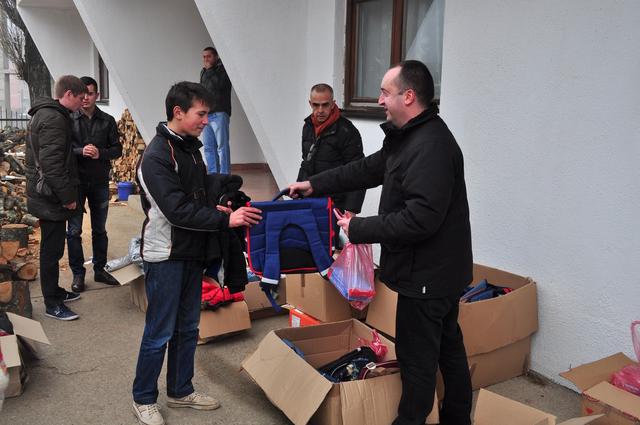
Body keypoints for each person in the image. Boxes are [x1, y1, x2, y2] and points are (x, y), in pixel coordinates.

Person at [288, 60, 473, 425]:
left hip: (428, 276)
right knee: (448, 347)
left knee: (418, 360)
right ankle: (457, 418)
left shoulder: (431, 146)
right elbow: (367, 169)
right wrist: (314, 184)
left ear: (409, 96)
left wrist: (358, 228)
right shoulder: (408, 137)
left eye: (386, 93)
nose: (380, 100)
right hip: (437, 272)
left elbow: (420, 219)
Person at [132, 81, 261, 425]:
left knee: (188, 327)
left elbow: (195, 196)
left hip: (192, 252)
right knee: (159, 332)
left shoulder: (190, 149)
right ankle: (143, 398)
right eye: (201, 114)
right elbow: (176, 211)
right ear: (178, 112)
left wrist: (218, 204)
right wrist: (225, 220)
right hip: (166, 255)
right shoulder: (156, 156)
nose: (206, 121)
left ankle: (180, 390)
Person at [25, 75, 87, 321]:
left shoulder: (49, 114)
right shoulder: (53, 119)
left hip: (47, 195)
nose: (82, 103)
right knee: (51, 252)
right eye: (80, 98)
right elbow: (52, 166)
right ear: (68, 94)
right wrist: (68, 197)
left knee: (54, 248)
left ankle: (55, 292)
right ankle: (52, 304)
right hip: (51, 198)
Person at [67, 76, 123, 292]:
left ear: (97, 95)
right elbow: (63, 150)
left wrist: (100, 153)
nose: (86, 98)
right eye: (83, 94)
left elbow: (117, 150)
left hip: (99, 181)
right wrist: (80, 151)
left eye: (90, 93)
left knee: (100, 229)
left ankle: (100, 270)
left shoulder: (107, 120)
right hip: (76, 182)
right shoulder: (69, 119)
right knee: (73, 231)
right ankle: (78, 274)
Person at [297, 83, 365, 244]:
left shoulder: (347, 131)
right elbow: (306, 161)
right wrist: (298, 191)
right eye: (316, 105)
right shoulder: (307, 127)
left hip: (334, 203)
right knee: (304, 243)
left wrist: (352, 208)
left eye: (325, 105)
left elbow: (358, 170)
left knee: (327, 246)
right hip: (309, 198)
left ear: (333, 103)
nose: (320, 110)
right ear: (310, 103)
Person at [200, 46, 232, 174]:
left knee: (222, 147)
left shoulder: (223, 70)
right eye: (204, 57)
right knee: (208, 147)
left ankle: (225, 175)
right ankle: (213, 175)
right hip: (206, 115)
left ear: (216, 57)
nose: (206, 59)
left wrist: (209, 70)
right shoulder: (203, 72)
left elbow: (219, 85)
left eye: (209, 56)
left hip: (219, 113)